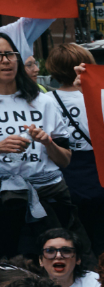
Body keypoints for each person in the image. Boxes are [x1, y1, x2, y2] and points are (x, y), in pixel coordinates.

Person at [0, 29, 74, 256]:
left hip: (49, 195)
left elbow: (65, 160)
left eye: (10, 54)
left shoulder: (43, 102)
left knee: (55, 259)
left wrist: (48, 143)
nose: (5, 61)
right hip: (5, 201)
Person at [47, 45, 104, 257]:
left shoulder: (45, 101)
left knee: (72, 234)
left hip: (63, 170)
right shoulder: (102, 96)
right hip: (100, 170)